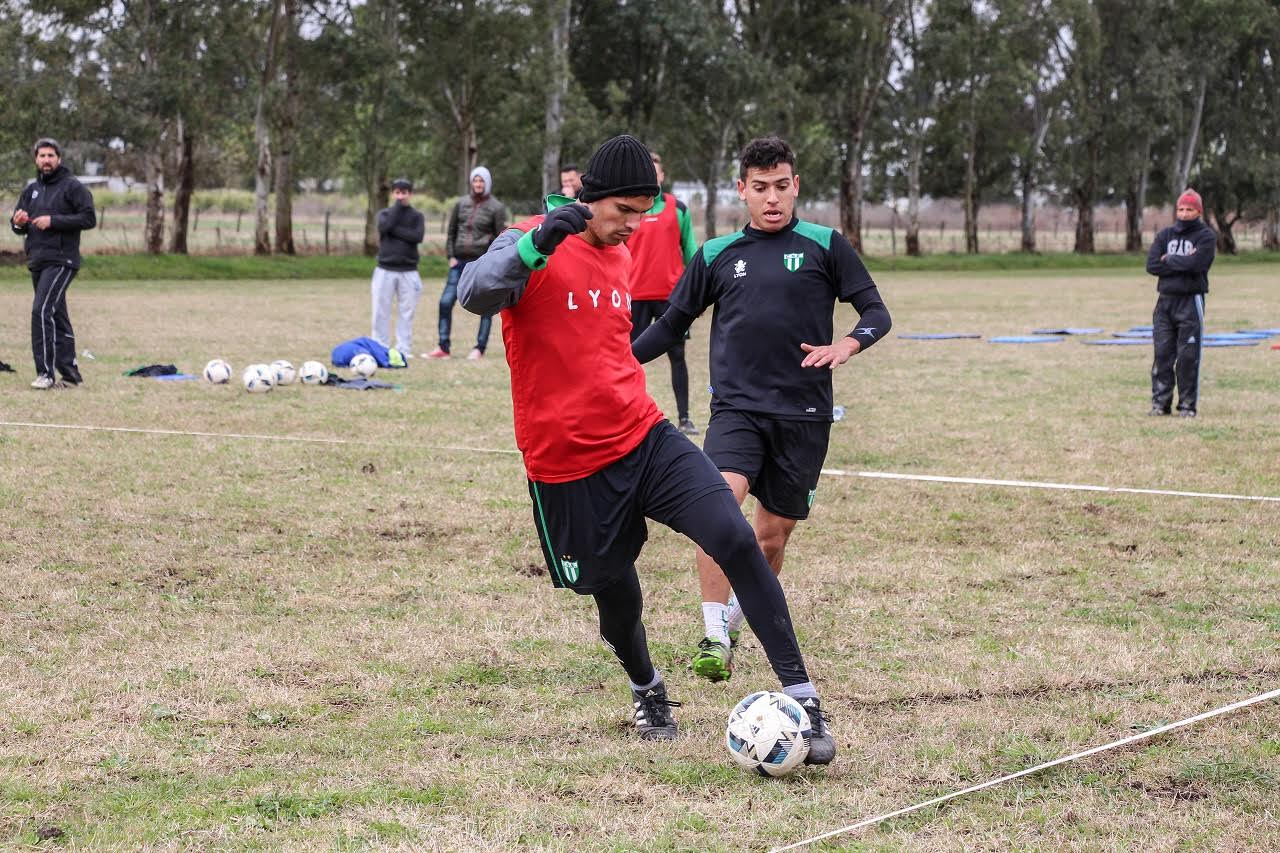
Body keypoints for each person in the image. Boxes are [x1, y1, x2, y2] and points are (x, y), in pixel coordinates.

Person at [458, 134, 835, 763]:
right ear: (592, 199)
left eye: (645, 214)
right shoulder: (533, 236)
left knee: (733, 536)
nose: (636, 227)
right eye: (626, 213)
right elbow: (475, 291)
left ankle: (805, 697)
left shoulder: (621, 248)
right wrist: (537, 243)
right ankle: (647, 686)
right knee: (616, 596)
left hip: (643, 433)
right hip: (568, 464)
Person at [632, 136, 892, 683]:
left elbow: (875, 311)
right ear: (741, 191)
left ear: (795, 186)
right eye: (759, 188)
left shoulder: (826, 245)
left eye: (781, 187)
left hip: (804, 419)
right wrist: (616, 362)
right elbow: (670, 327)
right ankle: (713, 632)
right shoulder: (715, 255)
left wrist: (847, 344)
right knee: (718, 508)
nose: (771, 198)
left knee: (770, 540)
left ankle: (735, 616)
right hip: (736, 411)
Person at [9, 137, 96, 390]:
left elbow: (89, 218)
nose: (46, 160)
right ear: (35, 159)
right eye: (42, 156)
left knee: (41, 311)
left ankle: (45, 374)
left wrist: (54, 221)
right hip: (38, 260)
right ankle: (71, 376)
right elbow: (17, 226)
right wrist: (19, 222)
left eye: (50, 156)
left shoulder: (72, 187)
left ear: (59, 158)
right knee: (57, 316)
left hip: (62, 260)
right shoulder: (31, 190)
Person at [627, 150, 699, 435]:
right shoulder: (630, 210)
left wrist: (698, 292)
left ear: (662, 176)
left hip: (672, 298)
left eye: (656, 171)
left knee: (678, 356)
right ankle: (631, 415)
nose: (652, 176)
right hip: (633, 295)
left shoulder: (678, 208)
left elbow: (692, 252)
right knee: (630, 359)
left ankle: (685, 418)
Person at [1145, 188, 1216, 418]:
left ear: (1198, 211)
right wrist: (1183, 261)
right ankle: (1160, 404)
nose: (1184, 214)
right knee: (1163, 355)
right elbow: (1152, 265)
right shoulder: (1165, 235)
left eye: (1190, 209)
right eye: (1181, 209)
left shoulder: (1206, 236)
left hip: (1190, 302)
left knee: (1187, 357)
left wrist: (1170, 259)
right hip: (1165, 303)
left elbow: (1198, 264)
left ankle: (1187, 406)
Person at [427, 166, 506, 360]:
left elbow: (500, 238)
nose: (478, 184)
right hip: (459, 262)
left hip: (481, 263)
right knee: (445, 302)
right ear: (471, 183)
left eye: (481, 181)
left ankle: (479, 348)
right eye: (475, 181)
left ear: (487, 183)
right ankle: (443, 347)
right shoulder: (460, 204)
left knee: (486, 306)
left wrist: (492, 261)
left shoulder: (496, 208)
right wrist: (451, 256)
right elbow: (451, 231)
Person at [370, 178, 425, 357]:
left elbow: (417, 236)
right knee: (380, 310)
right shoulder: (386, 213)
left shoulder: (417, 216)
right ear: (393, 193)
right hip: (385, 269)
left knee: (407, 312)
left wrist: (396, 231)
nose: (401, 195)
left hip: (409, 271)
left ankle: (404, 349)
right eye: (397, 192)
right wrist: (397, 209)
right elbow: (385, 228)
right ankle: (380, 346)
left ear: (410, 194)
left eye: (404, 192)